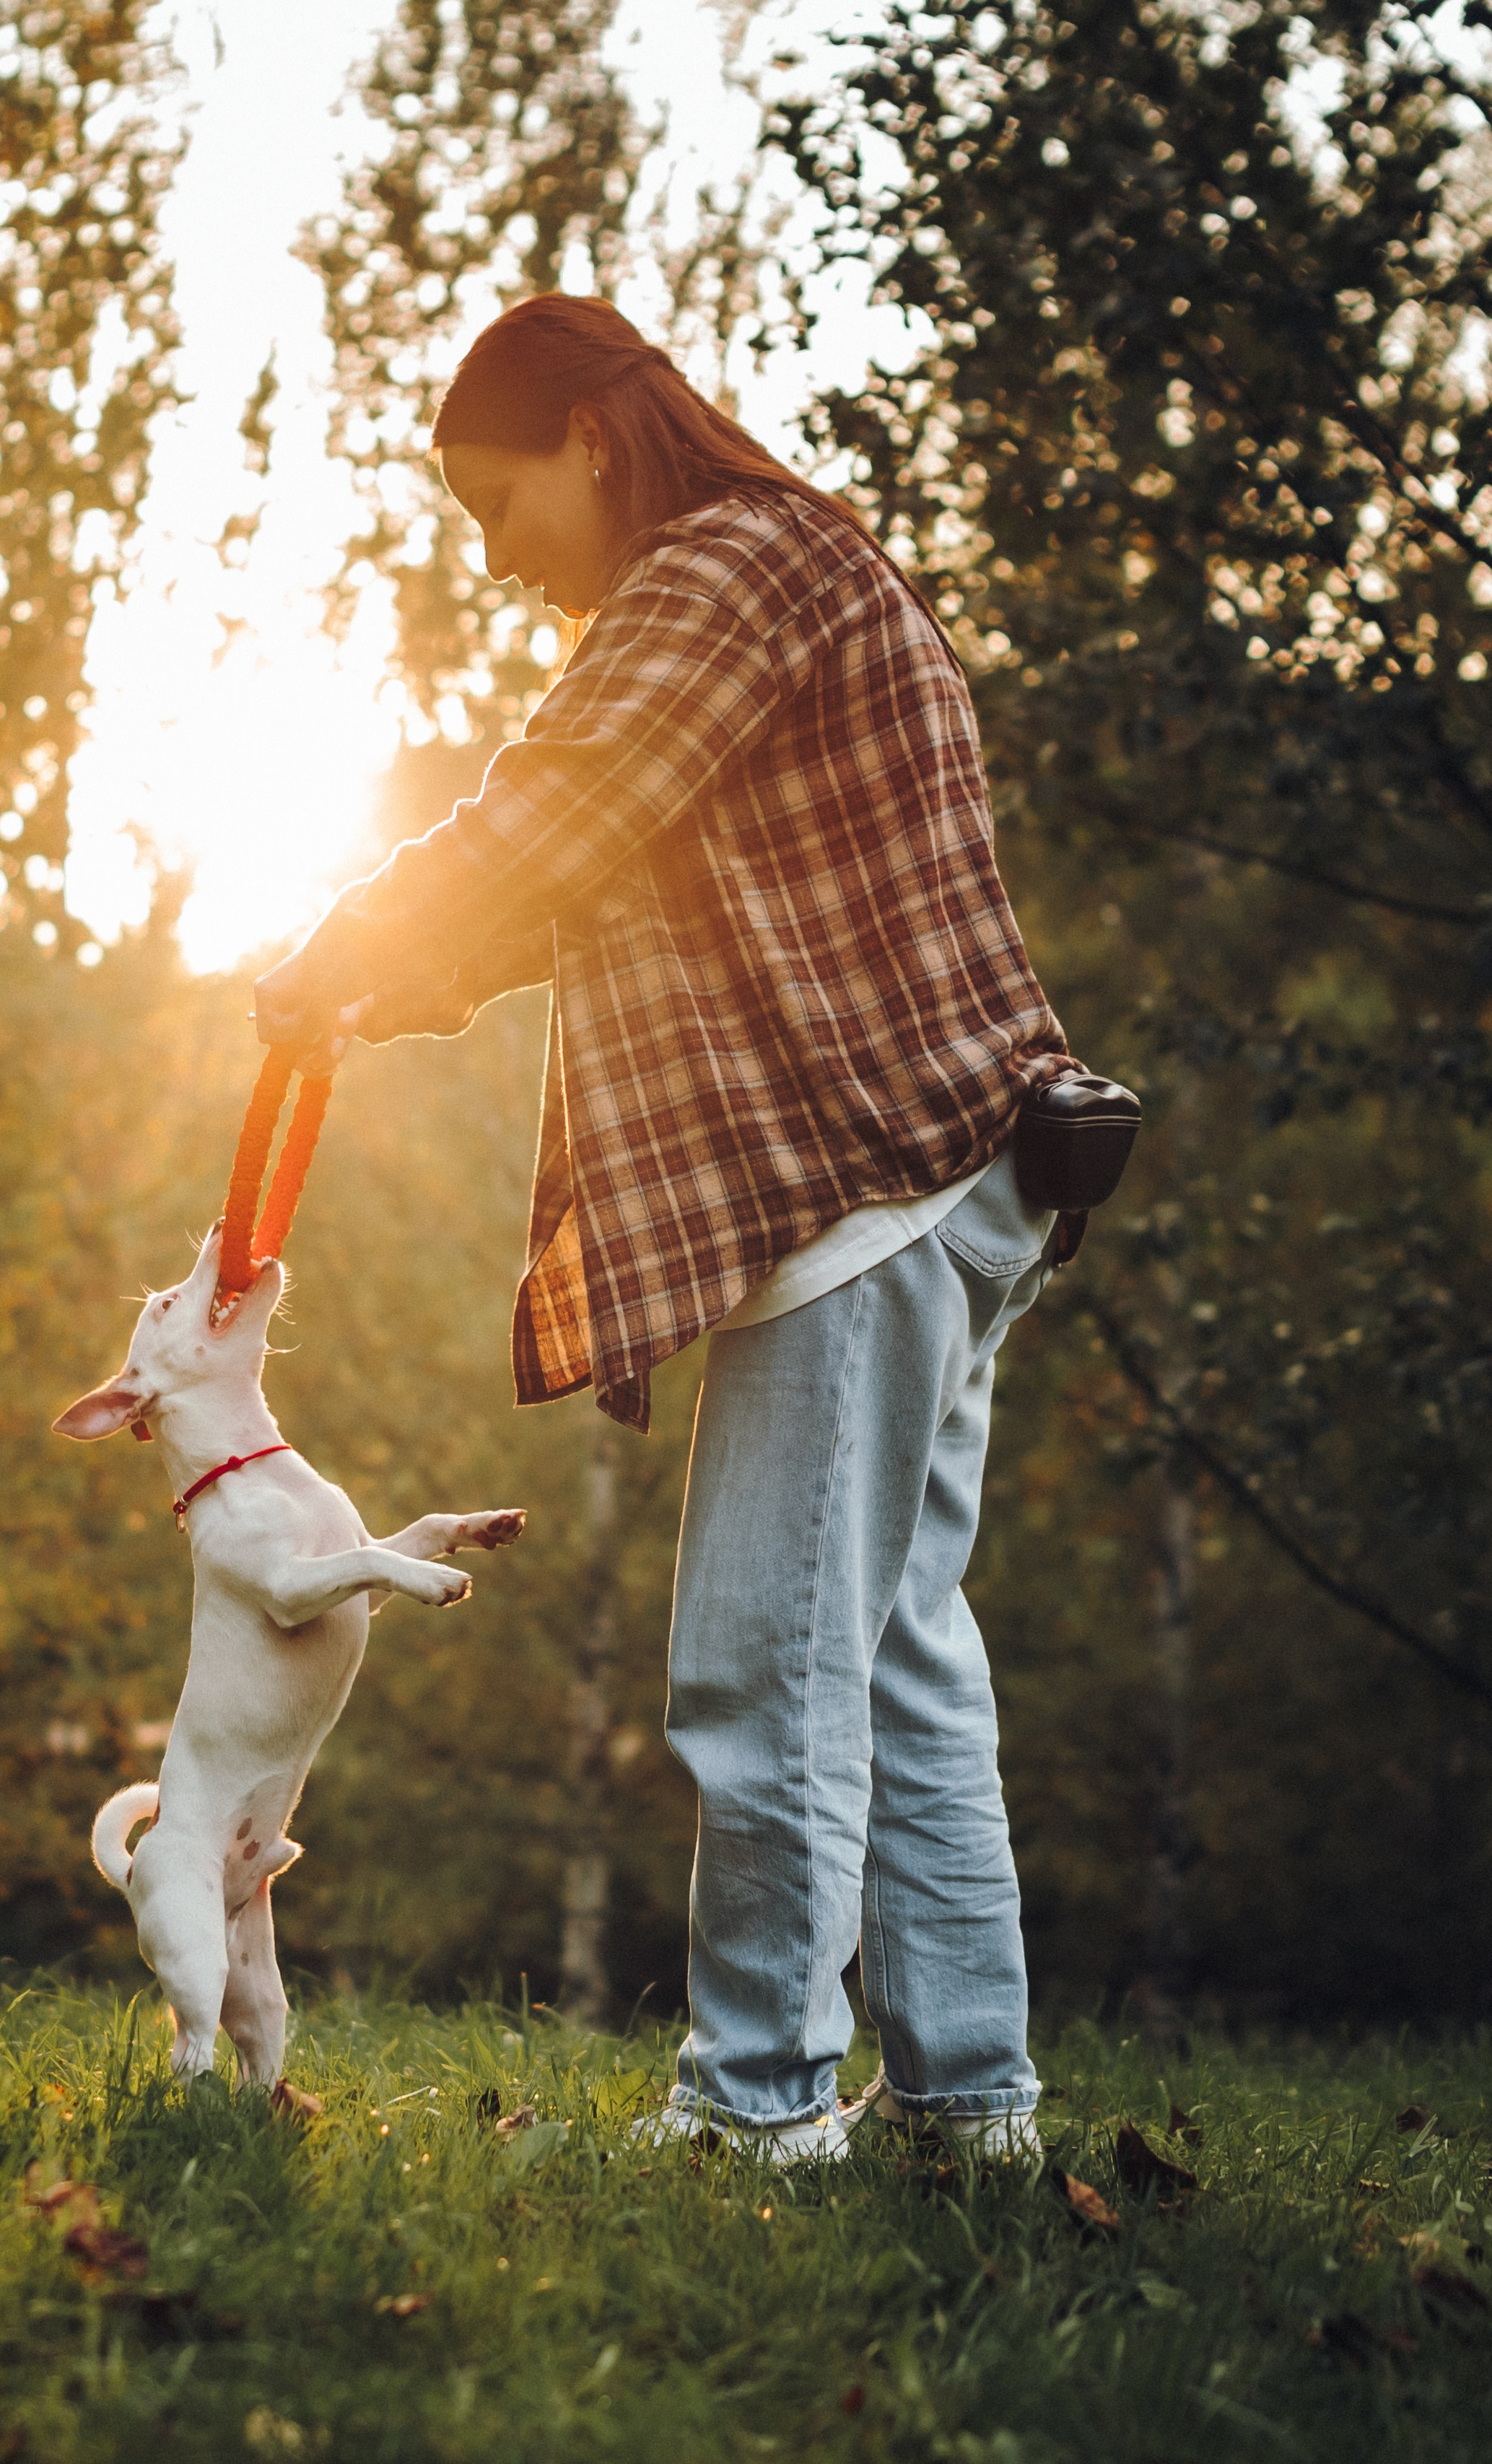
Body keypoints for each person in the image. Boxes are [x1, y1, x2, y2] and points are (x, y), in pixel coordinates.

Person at [252, 294, 1074, 2164]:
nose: (496, 550)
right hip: (938, 1184)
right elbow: (589, 878)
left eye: (495, 498)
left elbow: (553, 820)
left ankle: (761, 2110)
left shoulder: (727, 569)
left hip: (861, 1189)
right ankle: (967, 2105)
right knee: (889, 1654)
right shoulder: (776, 572)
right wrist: (371, 999)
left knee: (765, 1661)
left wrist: (331, 952)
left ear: (594, 441)